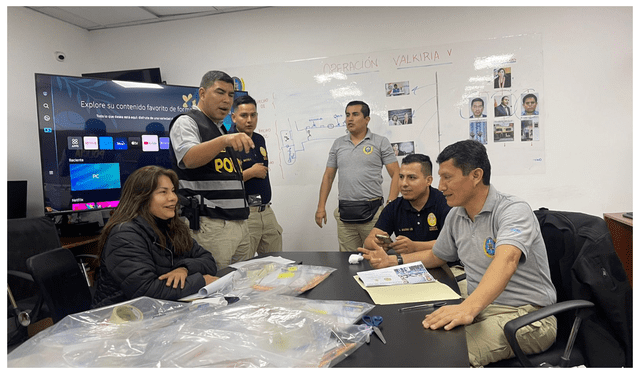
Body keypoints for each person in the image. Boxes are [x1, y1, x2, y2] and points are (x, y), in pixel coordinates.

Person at [422, 140, 556, 367]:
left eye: (447, 177)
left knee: (444, 355)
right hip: (484, 307)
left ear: (475, 176)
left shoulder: (513, 210)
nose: (440, 186)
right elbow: (436, 256)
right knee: (423, 335)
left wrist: (467, 308)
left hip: (527, 317)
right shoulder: (457, 215)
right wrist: (391, 262)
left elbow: (507, 260)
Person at [91, 166, 219, 308]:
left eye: (173, 191)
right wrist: (201, 281)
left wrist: (184, 268)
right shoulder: (124, 235)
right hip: (120, 317)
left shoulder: (171, 226)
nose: (173, 198)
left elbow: (208, 261)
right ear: (142, 198)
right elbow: (146, 291)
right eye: (163, 192)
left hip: (163, 310)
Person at [169, 70, 254, 269]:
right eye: (220, 92)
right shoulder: (187, 121)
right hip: (212, 225)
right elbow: (189, 158)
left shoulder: (220, 128)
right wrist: (225, 139)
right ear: (202, 93)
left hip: (238, 223)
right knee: (217, 289)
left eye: (231, 95)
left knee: (242, 287)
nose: (226, 100)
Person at [315, 100, 400, 252]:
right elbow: (328, 176)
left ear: (367, 119)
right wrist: (321, 207)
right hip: (345, 215)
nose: (350, 119)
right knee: (348, 261)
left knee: (376, 258)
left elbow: (396, 174)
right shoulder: (338, 144)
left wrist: (391, 204)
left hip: (373, 215)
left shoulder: (380, 142)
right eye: (347, 115)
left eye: (355, 114)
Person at [358, 154, 450, 267]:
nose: (404, 184)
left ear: (428, 180)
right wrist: (377, 244)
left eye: (412, 177)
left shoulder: (445, 203)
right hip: (406, 267)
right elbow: (369, 241)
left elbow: (450, 244)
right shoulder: (394, 207)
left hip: (445, 267)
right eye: (401, 177)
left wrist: (415, 246)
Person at [230, 95, 283, 255]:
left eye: (253, 115)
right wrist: (250, 173)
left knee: (276, 261)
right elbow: (224, 181)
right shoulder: (228, 142)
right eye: (244, 115)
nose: (249, 120)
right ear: (233, 117)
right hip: (245, 215)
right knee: (245, 266)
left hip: (266, 210)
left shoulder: (259, 139)